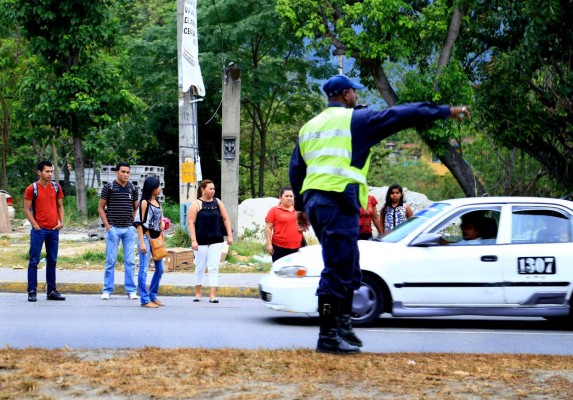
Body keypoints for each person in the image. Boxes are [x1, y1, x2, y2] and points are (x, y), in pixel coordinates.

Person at [289, 74, 470, 354]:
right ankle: (327, 335)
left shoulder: (309, 127)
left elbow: (296, 169)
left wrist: (301, 206)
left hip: (318, 203)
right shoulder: (355, 121)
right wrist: (445, 111)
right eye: (355, 93)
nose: (357, 97)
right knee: (336, 271)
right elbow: (401, 114)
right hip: (336, 200)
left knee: (350, 267)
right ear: (347, 94)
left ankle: (344, 326)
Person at [24, 160, 66, 302]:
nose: (49, 174)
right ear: (39, 172)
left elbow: (60, 206)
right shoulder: (32, 188)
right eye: (47, 171)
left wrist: (62, 222)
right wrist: (35, 225)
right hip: (39, 230)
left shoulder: (56, 187)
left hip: (53, 229)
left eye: (51, 171)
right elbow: (26, 209)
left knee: (52, 260)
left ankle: (51, 291)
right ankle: (32, 290)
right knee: (34, 260)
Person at [188, 179, 233, 303]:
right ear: (203, 189)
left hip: (217, 240)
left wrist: (229, 235)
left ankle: (212, 296)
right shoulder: (196, 204)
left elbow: (225, 218)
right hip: (200, 241)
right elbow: (191, 223)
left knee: (213, 267)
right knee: (200, 266)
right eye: (210, 188)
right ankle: (198, 294)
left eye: (214, 189)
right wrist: (193, 240)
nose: (213, 191)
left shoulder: (217, 202)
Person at [99, 162, 139, 300]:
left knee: (130, 261)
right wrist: (108, 227)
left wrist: (133, 224)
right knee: (111, 261)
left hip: (128, 229)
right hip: (113, 229)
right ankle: (107, 290)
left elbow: (136, 208)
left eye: (128, 172)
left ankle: (131, 290)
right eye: (123, 172)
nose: (126, 175)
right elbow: (101, 208)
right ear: (116, 172)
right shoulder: (109, 187)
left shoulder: (133, 188)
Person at [134, 177, 166, 308]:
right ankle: (145, 299)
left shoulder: (157, 201)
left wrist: (162, 222)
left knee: (160, 269)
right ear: (152, 188)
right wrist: (141, 242)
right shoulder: (144, 203)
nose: (160, 189)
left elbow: (158, 216)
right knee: (144, 269)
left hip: (156, 238)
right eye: (158, 186)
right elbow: (139, 223)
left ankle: (153, 295)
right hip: (146, 238)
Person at [265, 187, 305, 262]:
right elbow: (268, 228)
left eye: (291, 196)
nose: (289, 198)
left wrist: (302, 226)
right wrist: (269, 244)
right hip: (279, 248)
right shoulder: (274, 210)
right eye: (286, 196)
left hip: (297, 247)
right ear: (280, 197)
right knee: (281, 271)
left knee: (296, 272)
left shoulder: (299, 210)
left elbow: (305, 223)